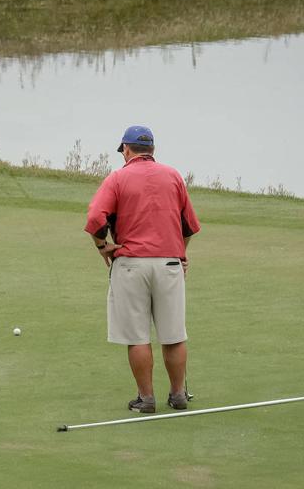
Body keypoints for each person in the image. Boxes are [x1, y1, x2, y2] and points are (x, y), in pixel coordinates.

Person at [84, 125, 200, 413]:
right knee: (173, 335)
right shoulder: (173, 175)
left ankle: (146, 399)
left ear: (126, 149)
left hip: (131, 265)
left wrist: (103, 247)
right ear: (153, 150)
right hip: (170, 265)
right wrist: (180, 253)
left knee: (137, 336)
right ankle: (177, 396)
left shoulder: (118, 177)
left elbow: (95, 219)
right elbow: (189, 226)